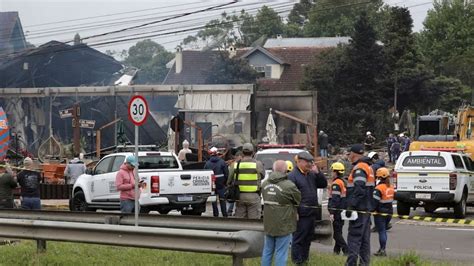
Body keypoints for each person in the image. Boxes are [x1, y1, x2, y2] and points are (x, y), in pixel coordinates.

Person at [288, 151, 328, 265]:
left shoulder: (311, 174)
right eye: (307, 162)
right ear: (299, 162)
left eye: (311, 162)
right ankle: (297, 261)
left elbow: (323, 184)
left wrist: (318, 173)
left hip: (312, 212)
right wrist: (294, 211)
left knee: (308, 238)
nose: (310, 164)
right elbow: (290, 196)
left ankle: (305, 260)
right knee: (299, 238)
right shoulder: (293, 176)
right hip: (301, 213)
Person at [261, 160, 301, 266]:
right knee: (281, 252)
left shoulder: (264, 184)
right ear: (285, 170)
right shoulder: (289, 186)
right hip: (284, 224)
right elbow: (298, 200)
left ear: (273, 169)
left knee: (267, 251)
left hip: (268, 223)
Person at [345, 144, 375, 266]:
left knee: (354, 239)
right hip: (366, 209)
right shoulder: (368, 166)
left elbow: (359, 189)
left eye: (349, 153)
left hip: (359, 209)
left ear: (354, 154)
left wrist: (351, 205)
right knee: (364, 241)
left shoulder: (360, 168)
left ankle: (351, 264)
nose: (348, 156)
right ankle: (364, 264)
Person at [227, 143, 263, 219]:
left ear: (242, 152)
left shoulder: (235, 164)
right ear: (253, 152)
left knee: (240, 221)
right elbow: (262, 176)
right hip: (254, 196)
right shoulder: (257, 164)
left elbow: (229, 180)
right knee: (254, 221)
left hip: (240, 196)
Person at [373, 167, 394, 257]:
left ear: (379, 177)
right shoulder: (390, 187)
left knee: (381, 231)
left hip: (380, 213)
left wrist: (372, 210)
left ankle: (382, 250)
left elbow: (375, 202)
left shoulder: (379, 188)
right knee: (383, 231)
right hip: (389, 212)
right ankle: (382, 249)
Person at [328, 162, 348, 255]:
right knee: (338, 231)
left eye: (332, 171)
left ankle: (346, 249)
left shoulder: (336, 184)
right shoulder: (343, 182)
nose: (331, 173)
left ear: (336, 172)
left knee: (336, 234)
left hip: (337, 211)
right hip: (342, 210)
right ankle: (336, 251)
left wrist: (332, 212)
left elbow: (335, 200)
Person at [204, 147, 229, 217]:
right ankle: (224, 214)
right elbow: (226, 173)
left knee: (213, 199)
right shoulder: (222, 162)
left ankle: (215, 214)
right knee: (222, 199)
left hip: (212, 185)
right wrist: (225, 183)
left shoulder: (207, 164)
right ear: (217, 153)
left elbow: (205, 175)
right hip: (221, 184)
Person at [227, 151, 243, 216]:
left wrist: (228, 183)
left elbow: (231, 174)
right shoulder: (244, 163)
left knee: (233, 197)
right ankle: (236, 211)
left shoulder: (234, 164)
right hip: (243, 184)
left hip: (235, 183)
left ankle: (230, 211)